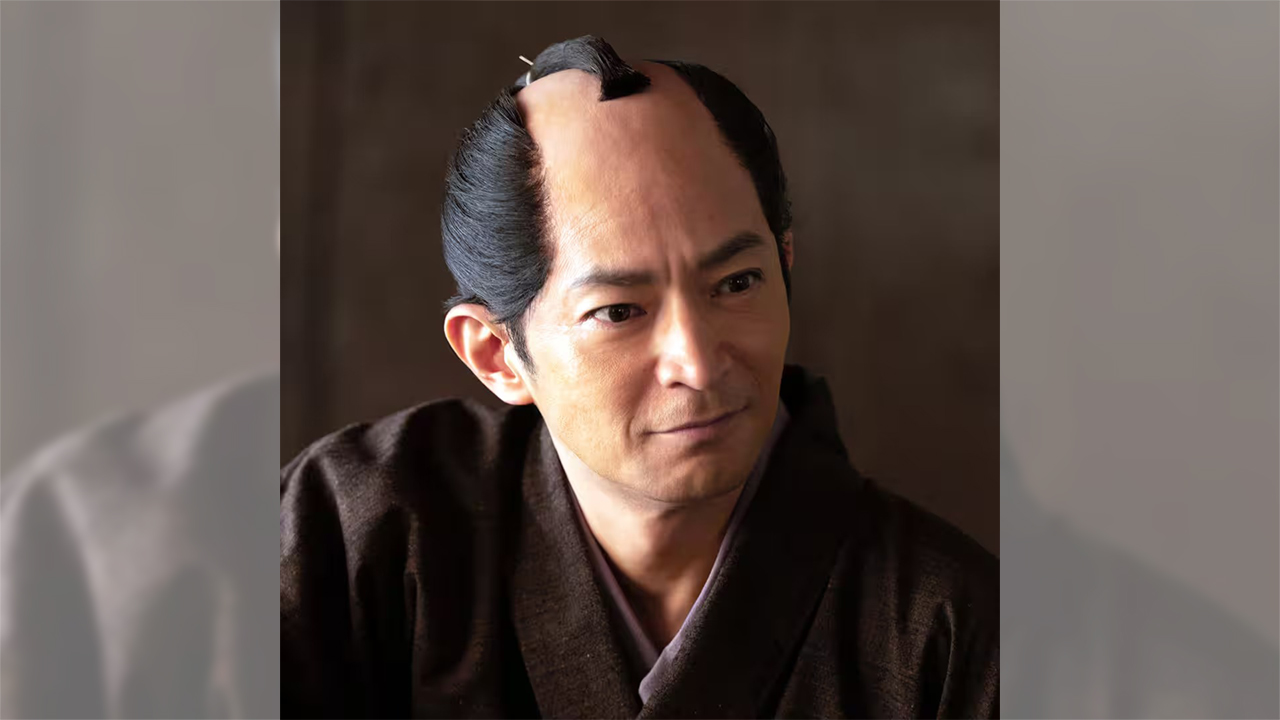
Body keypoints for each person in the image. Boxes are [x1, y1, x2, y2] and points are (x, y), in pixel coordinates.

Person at [280, 36, 998, 718]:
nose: (698, 362)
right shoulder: (357, 534)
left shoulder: (949, 628)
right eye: (619, 310)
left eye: (738, 282)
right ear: (497, 354)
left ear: (786, 263)